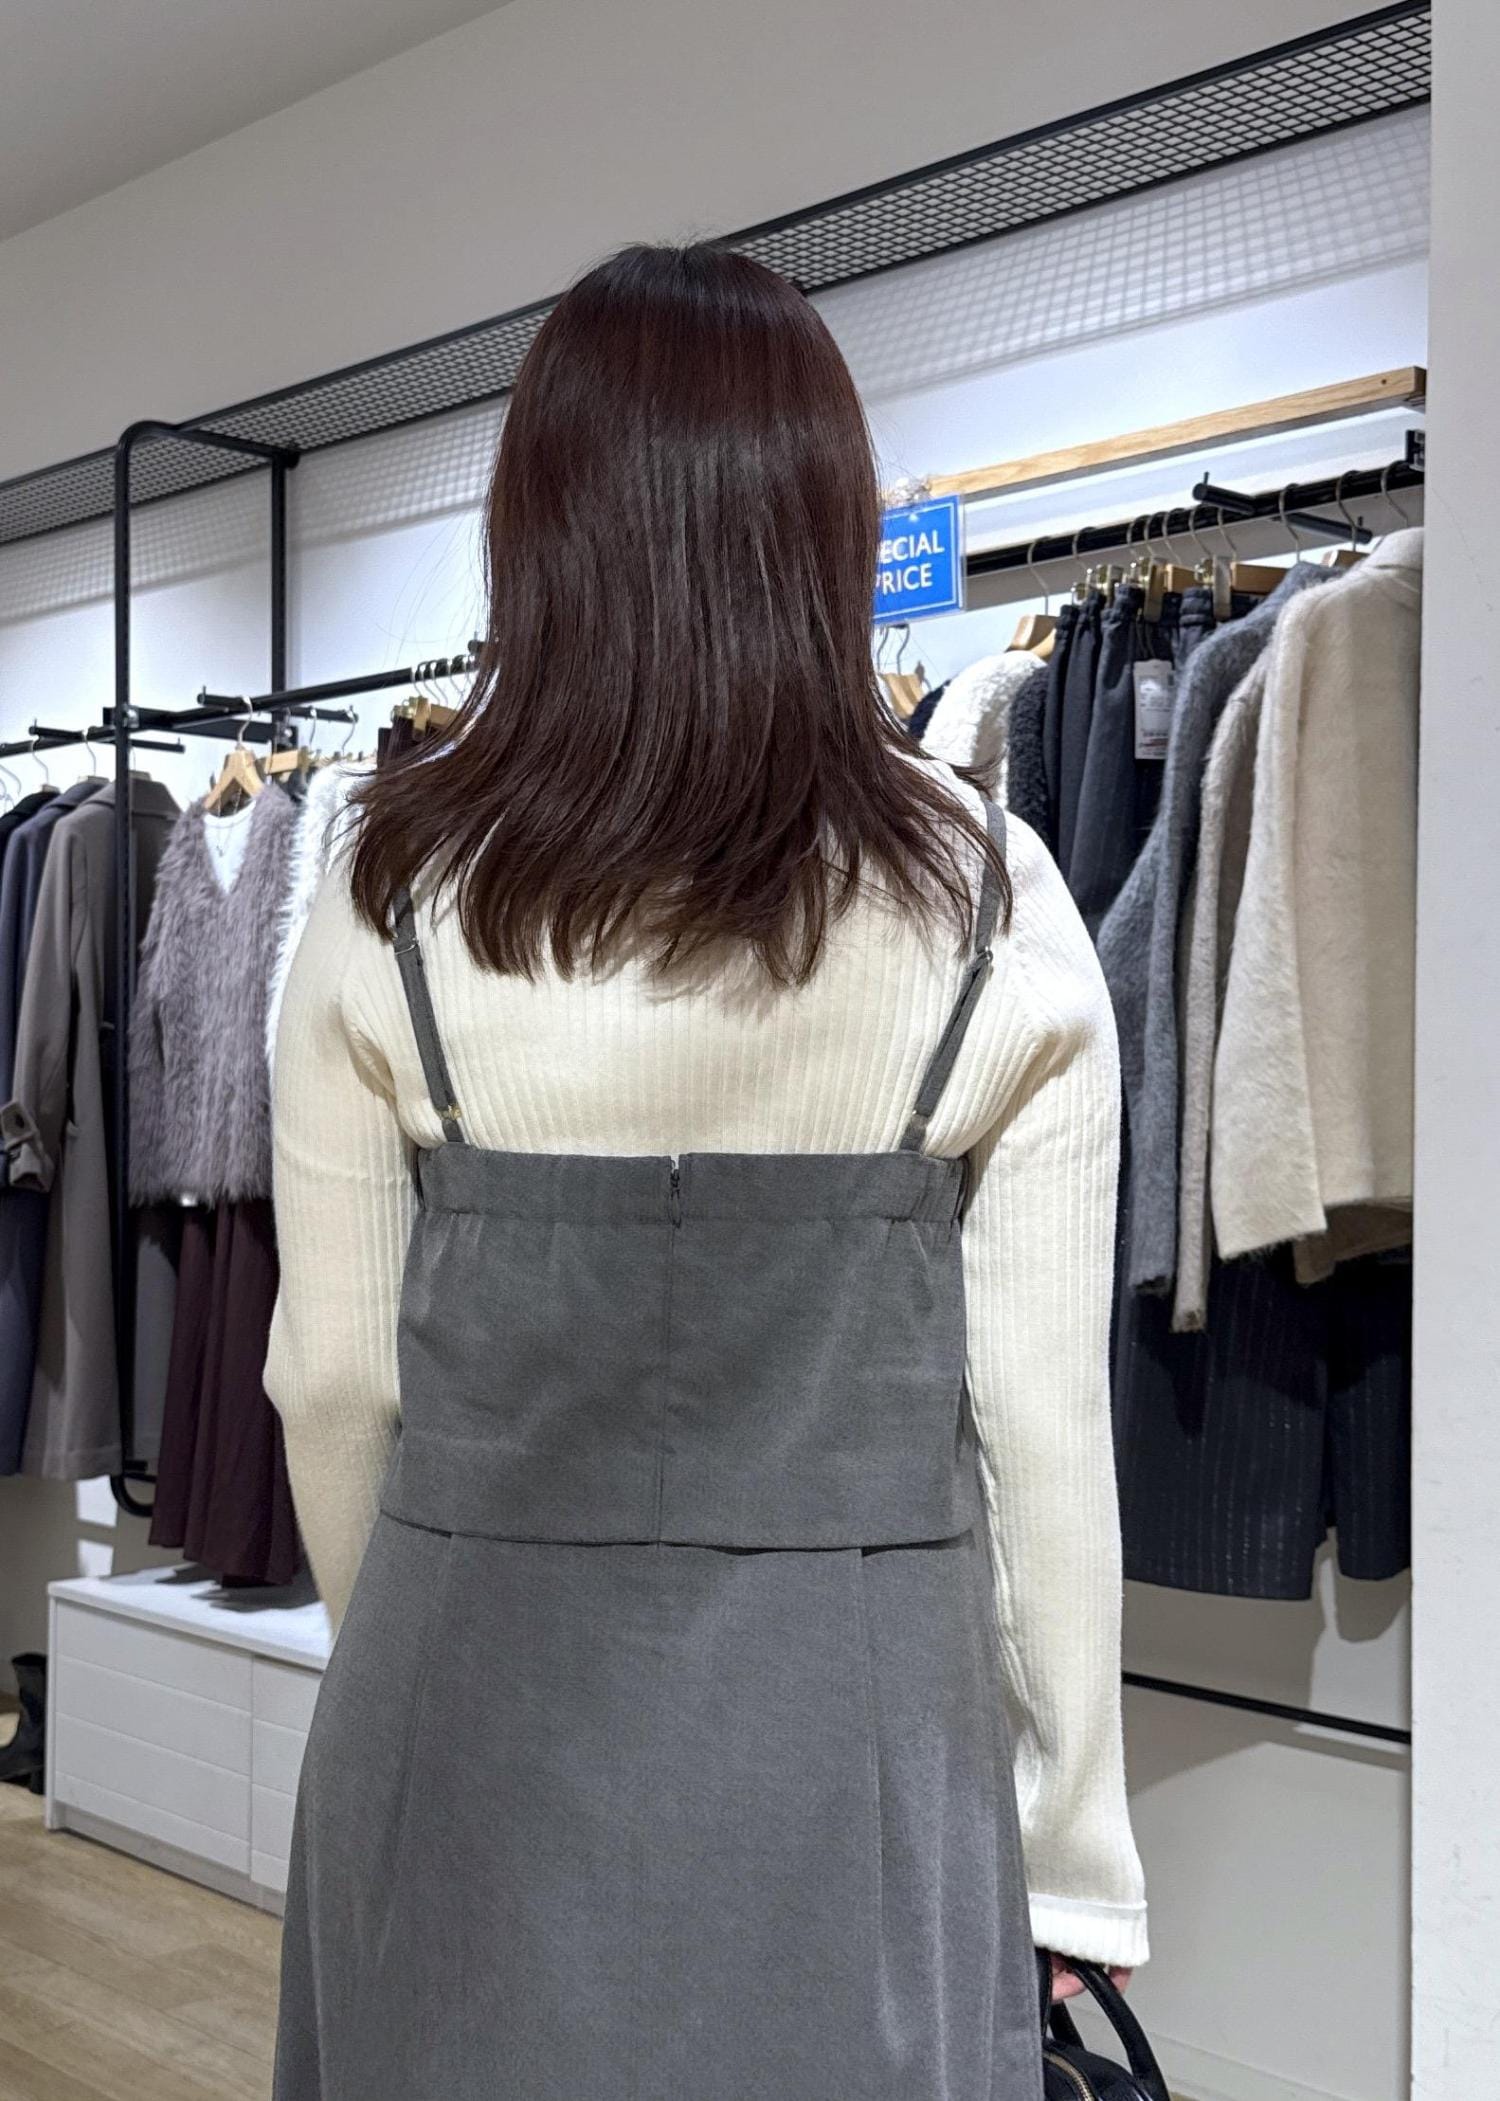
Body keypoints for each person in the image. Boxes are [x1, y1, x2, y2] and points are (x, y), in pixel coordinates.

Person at [265, 240, 1146, 2099]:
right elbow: (1043, 1432)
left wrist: (425, 1641)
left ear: (538, 532)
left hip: (464, 1713)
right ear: (826, 527)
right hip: (860, 1758)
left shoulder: (387, 888)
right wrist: (1071, 1846)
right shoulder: (991, 898)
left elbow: (332, 1383)